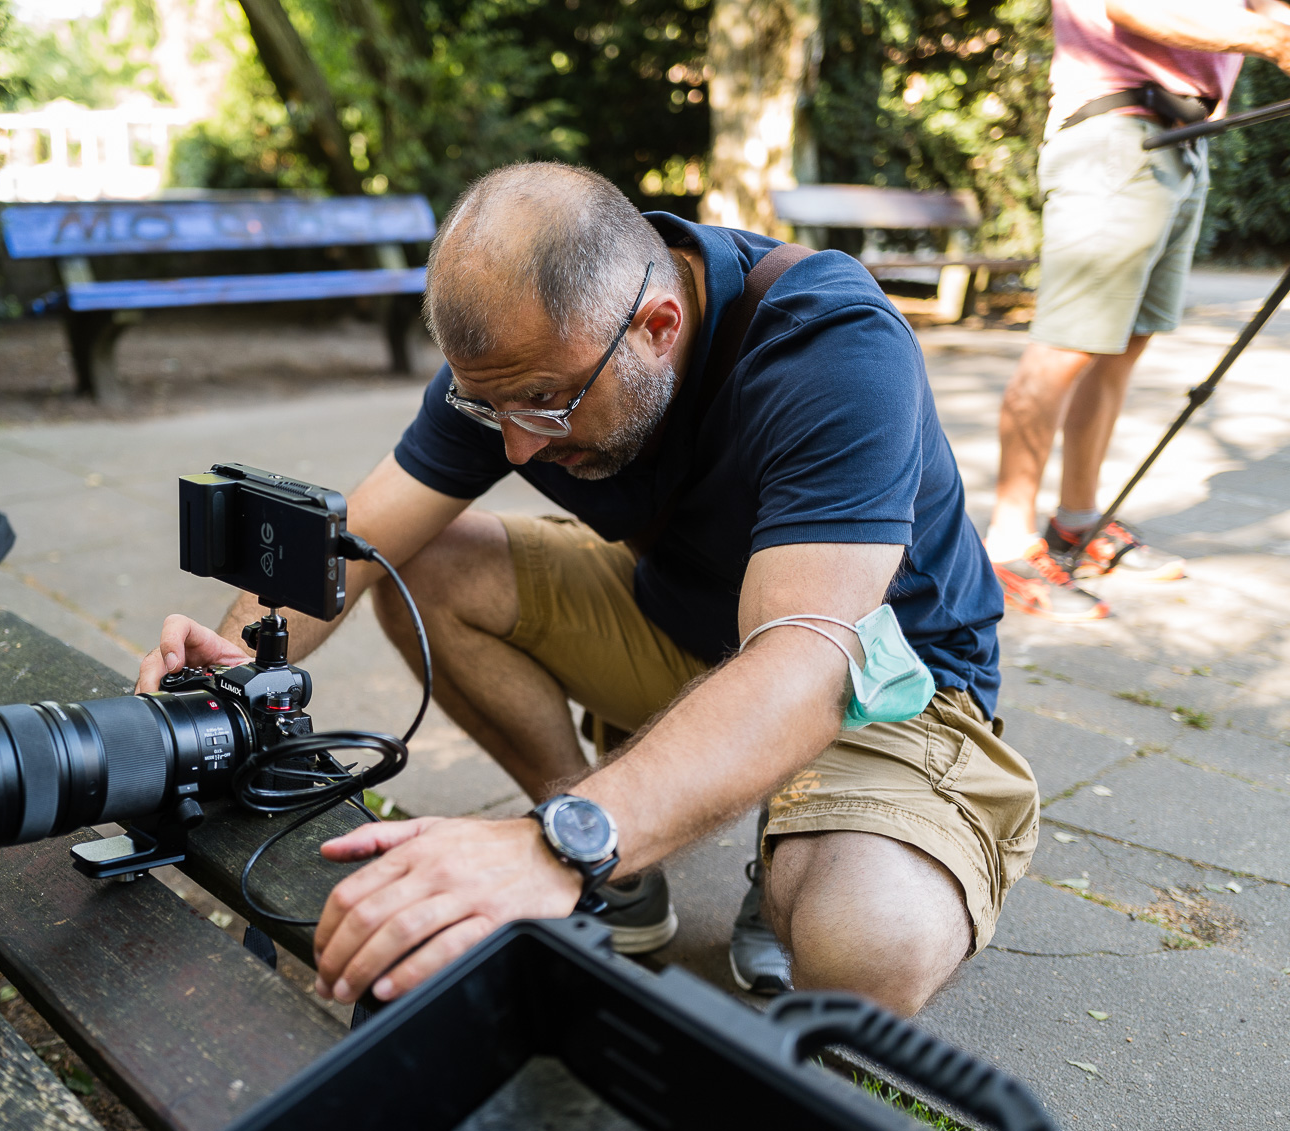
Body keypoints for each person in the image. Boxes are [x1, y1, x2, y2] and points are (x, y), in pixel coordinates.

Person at [138, 163, 1039, 1018]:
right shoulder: (521, 365)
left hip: (885, 682)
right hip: (688, 623)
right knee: (435, 563)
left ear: (657, 327)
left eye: (546, 404)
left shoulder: (831, 348)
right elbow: (356, 545)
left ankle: (633, 838)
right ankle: (621, 875)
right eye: (497, 411)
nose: (519, 448)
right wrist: (222, 680)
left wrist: (553, 841)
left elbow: (807, 659)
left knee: (860, 947)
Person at [983, 0, 1290, 620]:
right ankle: (1005, 547)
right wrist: (1272, 38)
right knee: (1066, 346)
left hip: (1186, 140)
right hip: (1117, 132)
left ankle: (1077, 524)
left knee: (1124, 345)